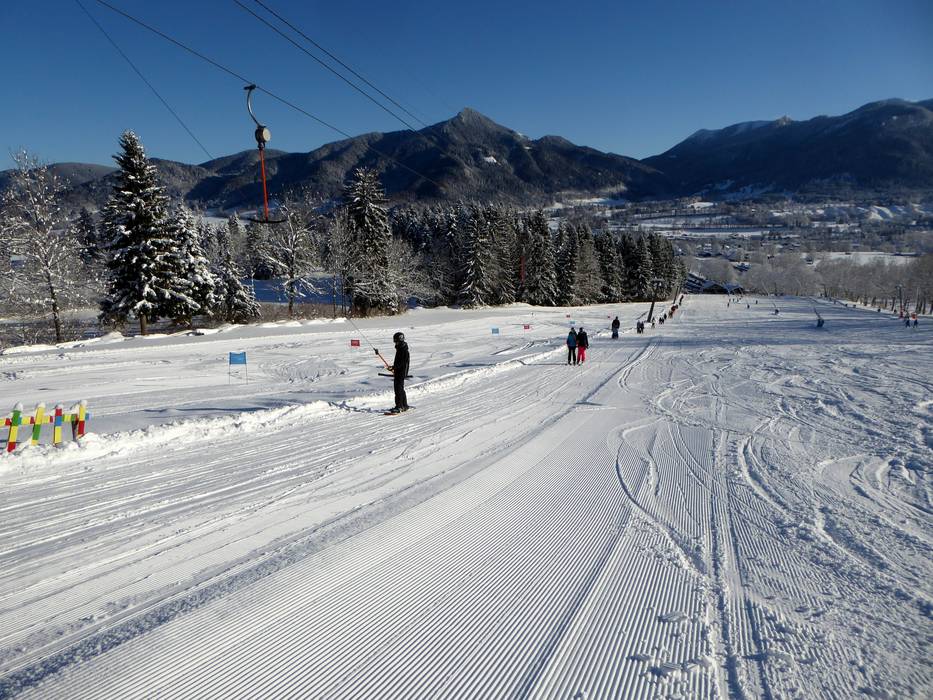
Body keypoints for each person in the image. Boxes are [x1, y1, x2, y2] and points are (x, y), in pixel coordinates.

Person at [386, 331, 410, 413]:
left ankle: (399, 406)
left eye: (396, 341)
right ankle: (404, 405)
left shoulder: (403, 350)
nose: (395, 343)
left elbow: (402, 363)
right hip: (399, 371)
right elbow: (399, 362)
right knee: (400, 389)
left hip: (401, 372)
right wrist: (393, 368)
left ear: (399, 340)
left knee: (398, 389)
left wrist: (394, 367)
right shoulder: (401, 348)